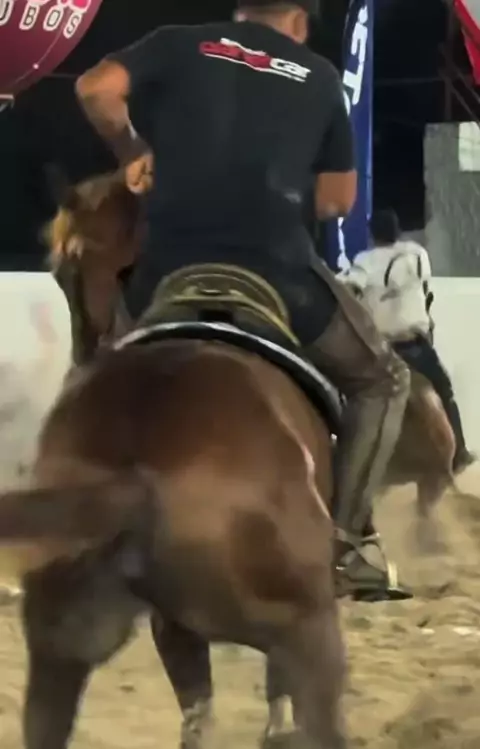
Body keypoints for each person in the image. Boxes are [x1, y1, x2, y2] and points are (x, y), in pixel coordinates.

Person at [74, 0, 412, 601]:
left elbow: (95, 89)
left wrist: (133, 151)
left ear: (238, 11)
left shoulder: (175, 42)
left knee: (103, 375)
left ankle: (87, 531)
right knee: (383, 381)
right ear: (300, 22)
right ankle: (346, 546)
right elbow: (336, 200)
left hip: (168, 267)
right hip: (276, 270)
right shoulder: (319, 75)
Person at [343, 209, 476, 475]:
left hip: (381, 351)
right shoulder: (417, 254)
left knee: (351, 396)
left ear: (372, 234)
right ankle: (460, 452)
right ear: (398, 231)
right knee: (444, 389)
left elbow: (349, 287)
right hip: (417, 345)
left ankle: (346, 455)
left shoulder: (364, 261)